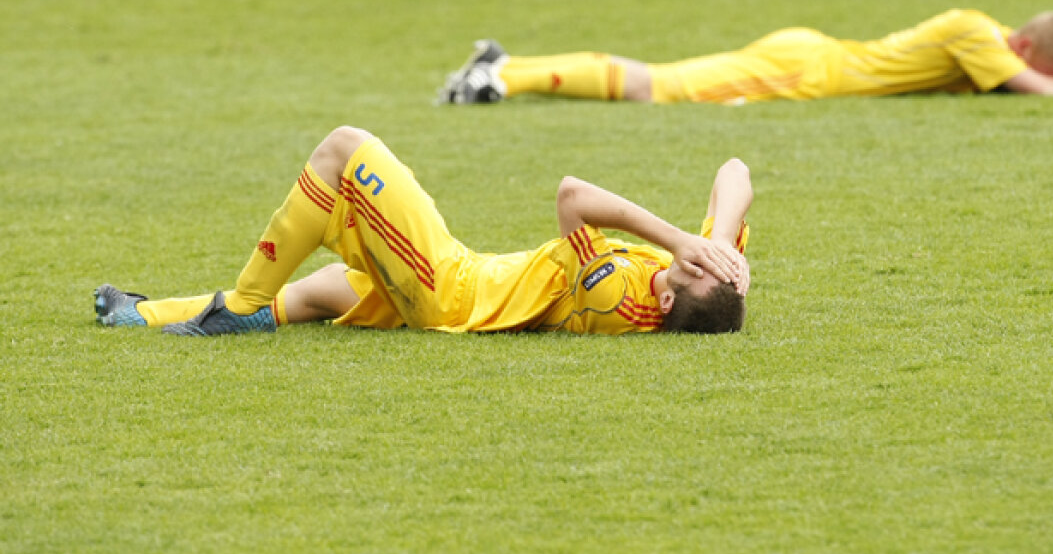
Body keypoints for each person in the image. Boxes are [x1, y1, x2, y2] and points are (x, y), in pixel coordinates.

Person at [93, 127, 752, 336]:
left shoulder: (617, 296)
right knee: (320, 292)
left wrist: (678, 235)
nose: (693, 254)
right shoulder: (697, 277)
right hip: (459, 289)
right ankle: (137, 316)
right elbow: (736, 169)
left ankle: (235, 307)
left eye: (695, 263)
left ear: (666, 302)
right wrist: (719, 238)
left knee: (344, 150)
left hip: (449, 288)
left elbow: (572, 196)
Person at [436, 9, 1053, 105]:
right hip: (805, 69)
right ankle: (503, 72)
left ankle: (502, 70)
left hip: (811, 62)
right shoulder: (980, 34)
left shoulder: (981, 36)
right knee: (657, 87)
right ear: (1025, 46)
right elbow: (1033, 89)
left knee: (659, 84)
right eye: (1041, 67)